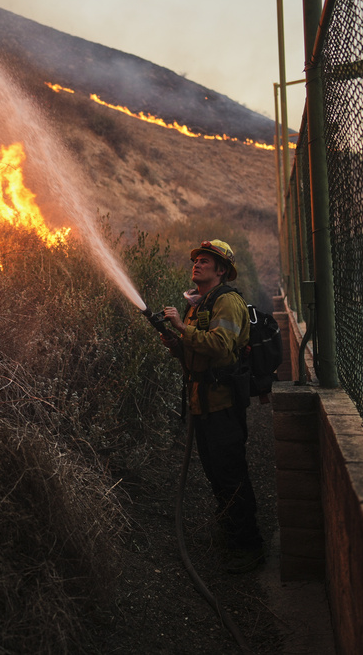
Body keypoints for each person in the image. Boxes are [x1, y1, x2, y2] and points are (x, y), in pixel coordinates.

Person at [161, 239, 265, 574]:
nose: (198, 264)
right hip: (202, 407)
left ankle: (248, 549)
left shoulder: (228, 303)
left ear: (221, 270)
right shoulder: (198, 304)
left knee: (231, 476)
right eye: (197, 260)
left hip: (222, 407)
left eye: (206, 261)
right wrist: (178, 345)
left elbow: (220, 347)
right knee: (217, 478)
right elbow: (197, 354)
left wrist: (181, 328)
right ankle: (231, 538)